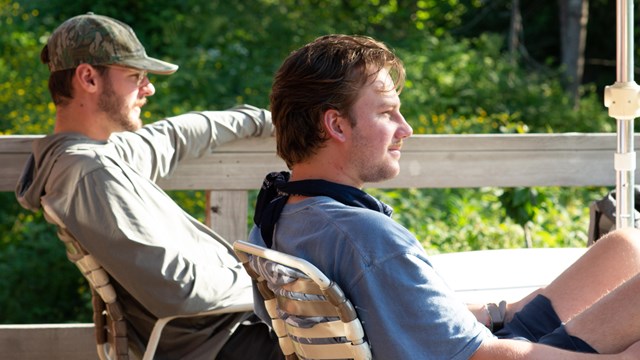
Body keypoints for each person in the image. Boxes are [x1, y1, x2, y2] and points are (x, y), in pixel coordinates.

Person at [249, 34, 640, 359]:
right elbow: (478, 356)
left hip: (469, 344)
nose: (406, 128)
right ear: (335, 124)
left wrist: (505, 312)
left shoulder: (280, 214)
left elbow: (403, 313)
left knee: (625, 245)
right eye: (387, 113)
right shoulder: (366, 239)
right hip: (489, 356)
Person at [15, 13, 283, 360]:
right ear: (88, 78)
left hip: (223, 328)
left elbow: (175, 135)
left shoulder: (99, 155)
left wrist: (266, 120)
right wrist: (276, 285)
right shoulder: (90, 174)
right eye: (135, 76)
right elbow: (181, 291)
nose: (149, 88)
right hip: (216, 343)